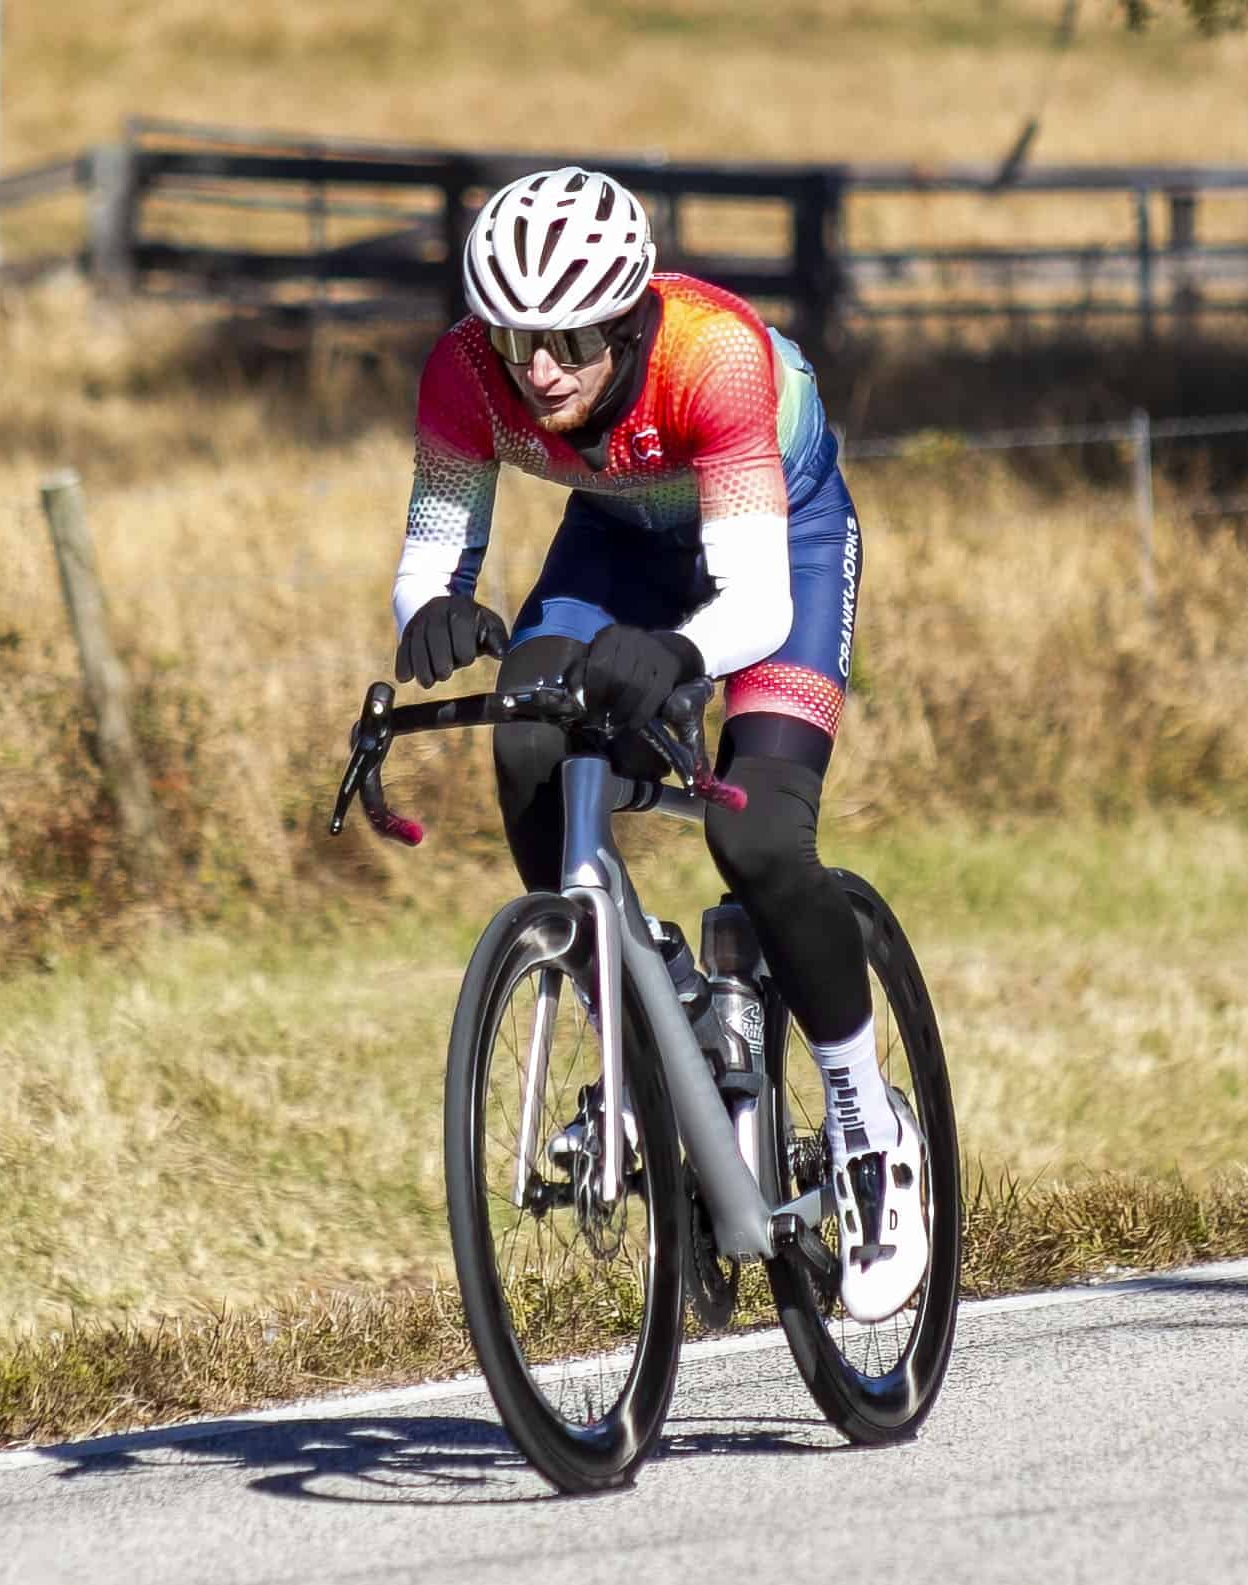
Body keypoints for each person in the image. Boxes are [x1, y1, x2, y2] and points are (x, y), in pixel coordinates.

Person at [390, 166, 924, 1323]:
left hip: (779, 534)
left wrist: (682, 659)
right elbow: (434, 545)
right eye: (516, 334)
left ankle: (864, 1122)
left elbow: (749, 607)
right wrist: (431, 608)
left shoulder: (711, 357)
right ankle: (639, 1016)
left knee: (764, 837)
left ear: (631, 316)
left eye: (571, 336)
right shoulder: (466, 371)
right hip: (618, 543)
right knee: (530, 744)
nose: (538, 366)